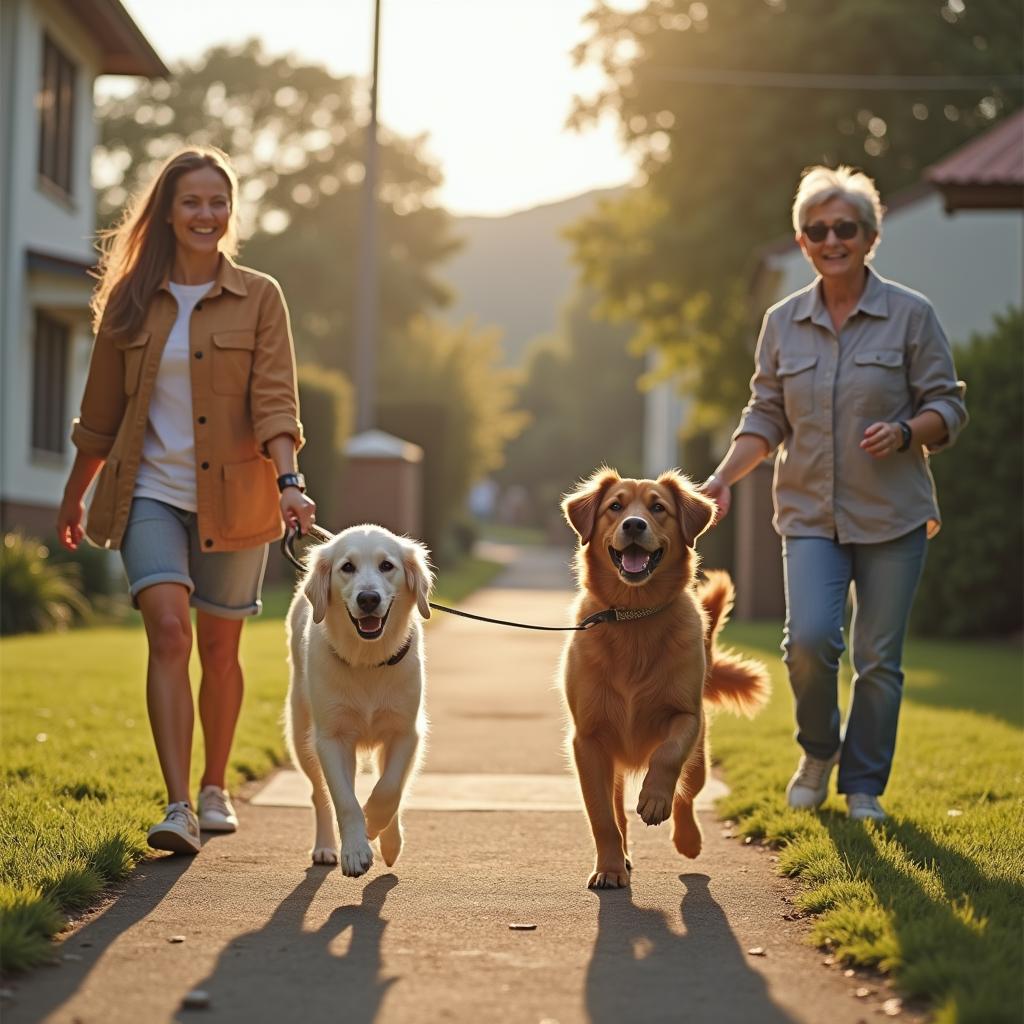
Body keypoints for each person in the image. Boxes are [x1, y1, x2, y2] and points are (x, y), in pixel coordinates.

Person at [57, 146, 317, 853]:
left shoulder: (260, 296)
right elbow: (100, 414)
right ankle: (177, 806)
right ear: (168, 213)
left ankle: (214, 786)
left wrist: (290, 483)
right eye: (192, 202)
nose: (206, 214)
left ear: (230, 212)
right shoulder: (131, 299)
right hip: (150, 492)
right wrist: (74, 497)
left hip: (238, 495)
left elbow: (274, 400)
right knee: (169, 632)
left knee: (221, 648)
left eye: (217, 201)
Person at [701, 165, 967, 822]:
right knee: (809, 642)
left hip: (894, 516)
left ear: (870, 235)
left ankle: (864, 786)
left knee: (879, 659)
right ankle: (819, 750)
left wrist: (907, 431)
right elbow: (765, 417)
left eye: (844, 227)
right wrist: (721, 478)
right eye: (816, 230)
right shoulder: (782, 323)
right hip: (809, 514)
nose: (831, 239)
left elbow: (949, 406)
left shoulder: (911, 315)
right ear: (802, 242)